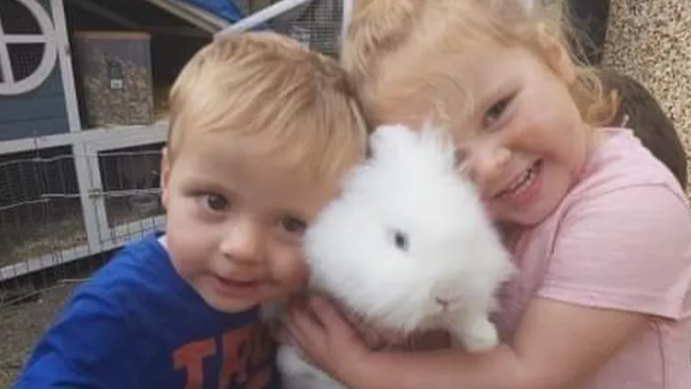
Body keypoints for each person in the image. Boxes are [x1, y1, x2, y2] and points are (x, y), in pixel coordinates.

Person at [281, 1, 691, 388]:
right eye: (451, 159)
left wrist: (360, 367)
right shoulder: (483, 215)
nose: (490, 164)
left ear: (553, 56)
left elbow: (529, 374)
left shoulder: (634, 204)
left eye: (497, 110)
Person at [12, 32, 367, 389]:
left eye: (292, 224)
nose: (243, 248)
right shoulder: (120, 312)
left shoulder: (284, 298)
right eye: (215, 201)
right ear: (166, 179)